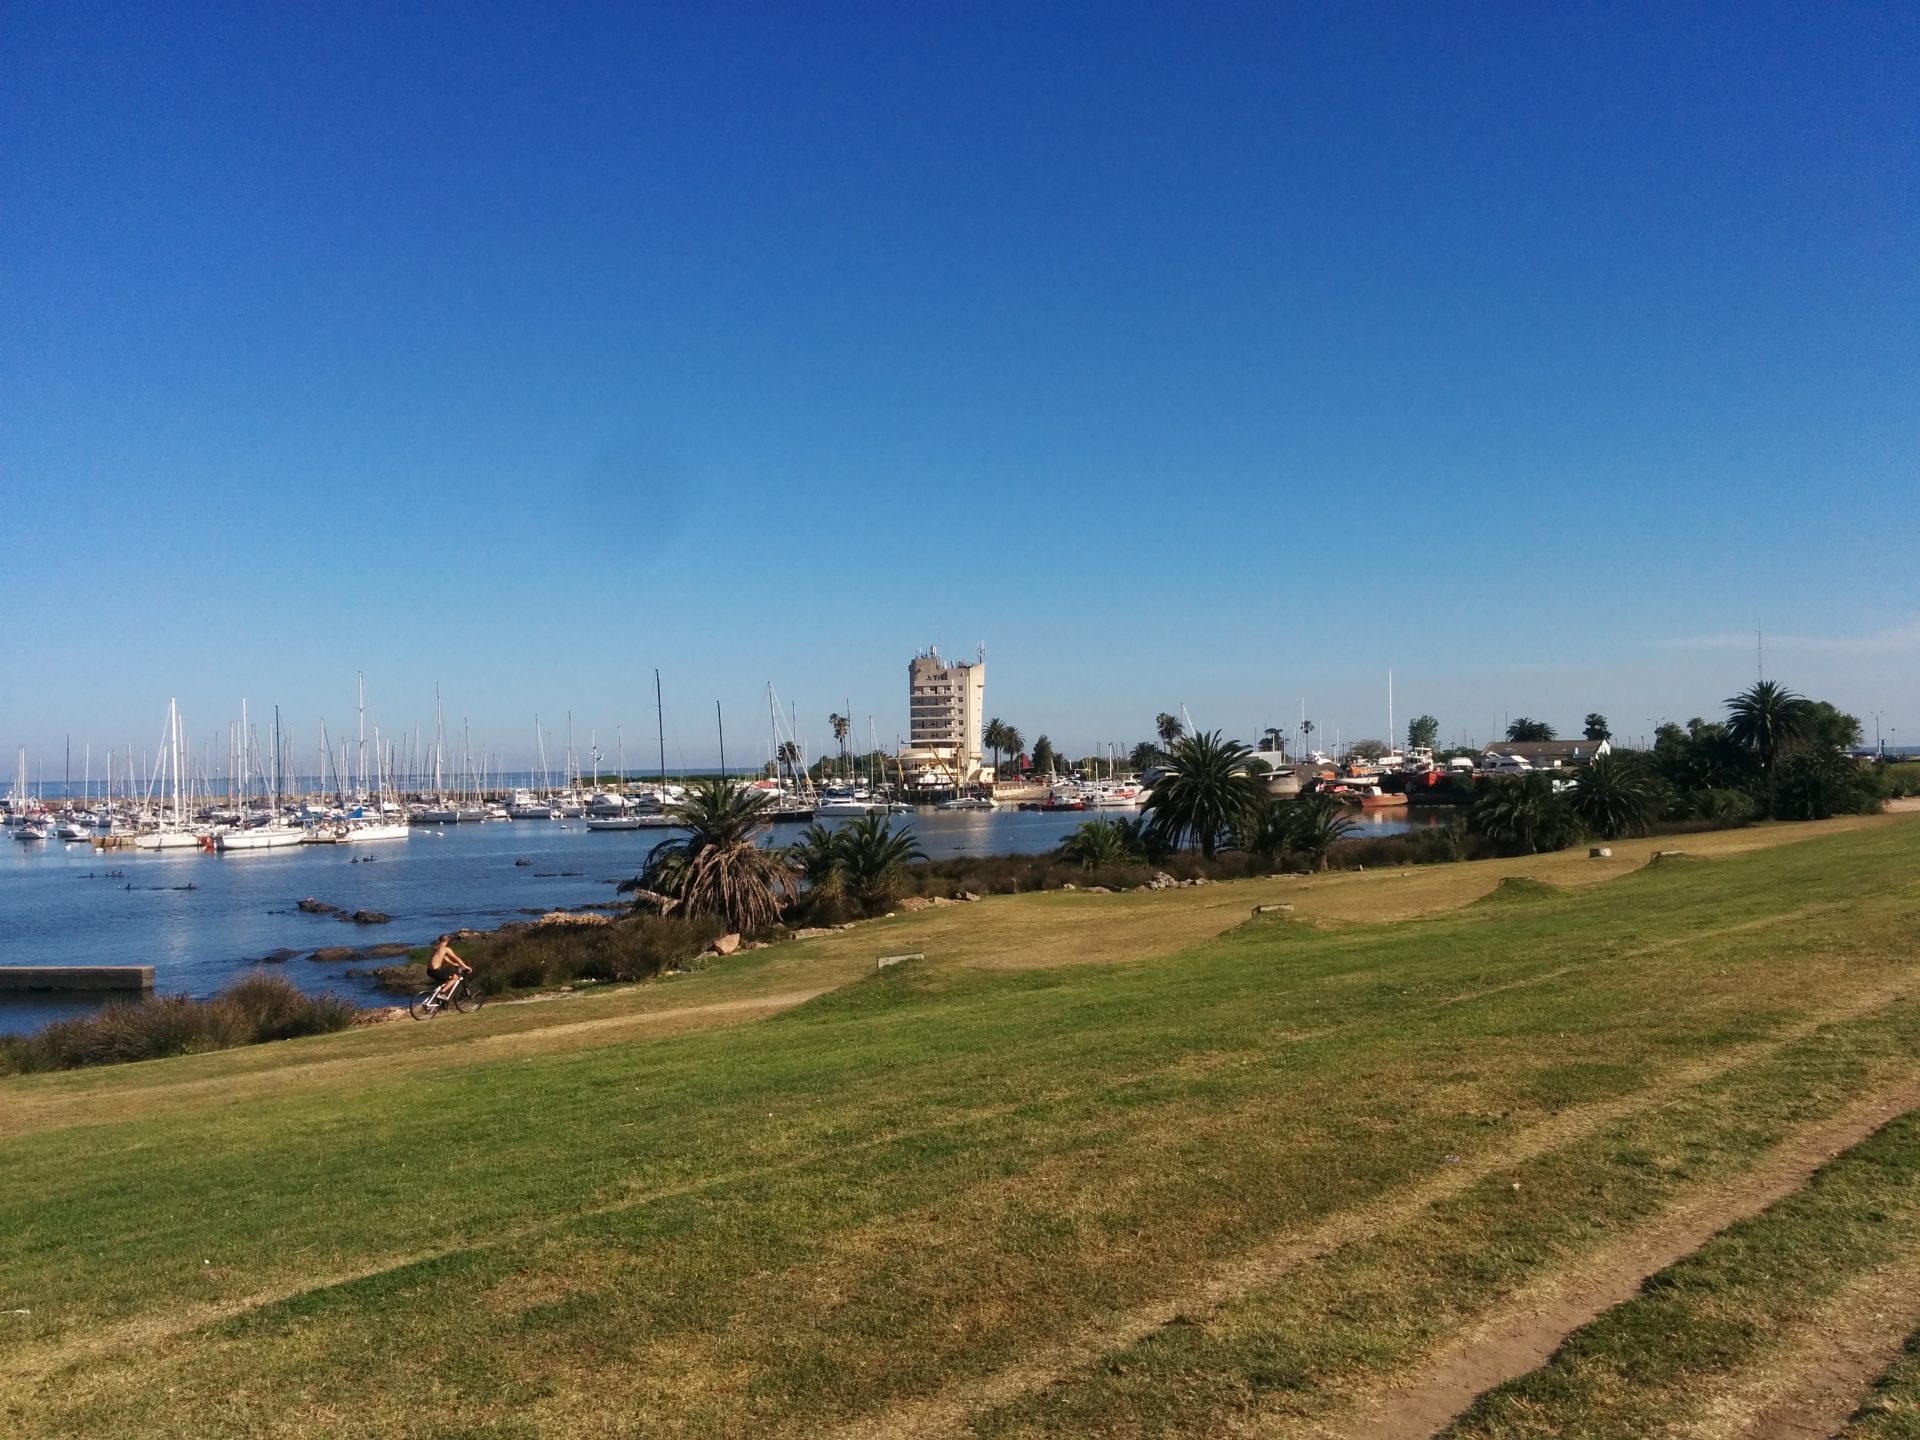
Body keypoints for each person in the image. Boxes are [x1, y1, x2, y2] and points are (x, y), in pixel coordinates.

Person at [425, 934, 472, 999]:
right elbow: (457, 958)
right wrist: (466, 967)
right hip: (436, 971)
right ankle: (441, 993)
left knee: (447, 980)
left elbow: (444, 957)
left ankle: (438, 995)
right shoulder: (445, 949)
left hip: (429, 971)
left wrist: (453, 964)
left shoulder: (435, 947)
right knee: (456, 978)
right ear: (447, 940)